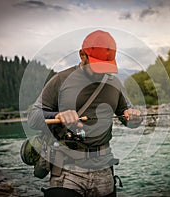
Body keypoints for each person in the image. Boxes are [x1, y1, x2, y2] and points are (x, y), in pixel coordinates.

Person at [27, 30, 142, 197]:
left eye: (105, 66)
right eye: (96, 66)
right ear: (82, 55)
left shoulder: (115, 84)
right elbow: (33, 117)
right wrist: (57, 116)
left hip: (104, 171)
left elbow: (129, 120)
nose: (100, 72)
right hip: (66, 171)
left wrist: (134, 117)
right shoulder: (60, 80)